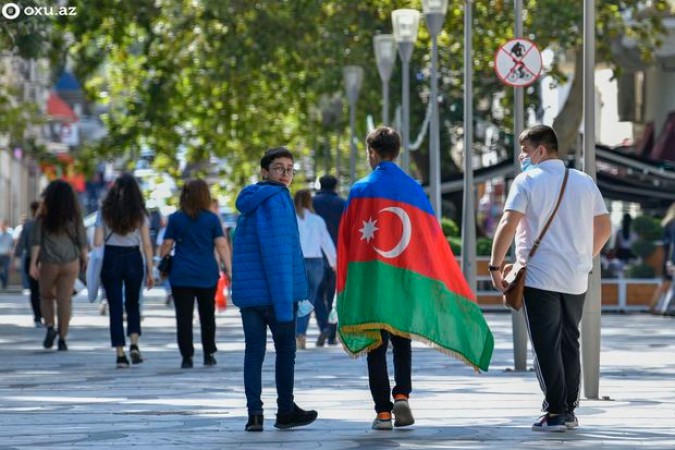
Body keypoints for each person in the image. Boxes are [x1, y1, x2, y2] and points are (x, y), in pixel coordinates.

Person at [338, 127, 493, 431]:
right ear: (397, 152)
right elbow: (430, 238)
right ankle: (403, 395)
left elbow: (346, 239)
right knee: (402, 339)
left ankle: (383, 414)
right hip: (405, 280)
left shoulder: (360, 189)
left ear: (372, 153)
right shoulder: (412, 188)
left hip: (371, 281)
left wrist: (346, 284)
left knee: (375, 347)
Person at [489, 124, 611, 432]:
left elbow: (508, 222)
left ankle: (555, 411)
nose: (523, 157)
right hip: (576, 277)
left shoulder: (527, 180)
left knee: (545, 345)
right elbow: (605, 227)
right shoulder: (584, 181)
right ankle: (569, 409)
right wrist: (586, 256)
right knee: (570, 341)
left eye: (526, 151)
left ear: (541, 150)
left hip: (540, 276)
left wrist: (494, 265)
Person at [232, 147, 318, 432]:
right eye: (279, 168)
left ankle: (254, 415)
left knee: (253, 353)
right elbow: (279, 253)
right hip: (277, 293)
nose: (285, 174)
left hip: (251, 296)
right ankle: (284, 411)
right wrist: (284, 302)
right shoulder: (279, 200)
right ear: (265, 172)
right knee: (285, 351)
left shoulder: (249, 202)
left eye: (289, 169)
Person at [158, 179, 232, 369]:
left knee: (183, 317)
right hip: (206, 273)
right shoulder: (211, 219)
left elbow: (167, 244)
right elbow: (222, 244)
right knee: (207, 314)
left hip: (181, 274)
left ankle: (187, 356)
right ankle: (208, 353)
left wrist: (162, 262)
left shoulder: (176, 218)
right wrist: (230, 269)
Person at [94, 174, 155, 368]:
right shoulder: (140, 213)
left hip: (111, 257)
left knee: (115, 306)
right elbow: (146, 244)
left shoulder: (104, 212)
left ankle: (120, 353)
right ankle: (134, 344)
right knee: (133, 303)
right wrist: (151, 270)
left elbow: (97, 242)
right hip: (133, 258)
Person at [30, 180, 89, 351]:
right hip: (71, 261)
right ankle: (62, 338)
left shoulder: (43, 214)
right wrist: (84, 259)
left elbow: (36, 241)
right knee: (65, 300)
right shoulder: (74, 214)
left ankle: (50, 326)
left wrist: (33, 263)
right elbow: (82, 239)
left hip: (49, 261)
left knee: (46, 296)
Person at [293, 189, 336, 349]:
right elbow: (327, 243)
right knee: (309, 300)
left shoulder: (291, 220)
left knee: (296, 300)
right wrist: (335, 264)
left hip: (297, 262)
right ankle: (301, 333)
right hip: (316, 263)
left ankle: (299, 333)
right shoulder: (317, 220)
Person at [312, 174, 345, 346]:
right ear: (335, 186)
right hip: (338, 256)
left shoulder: (311, 203)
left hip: (315, 255)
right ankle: (332, 333)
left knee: (316, 295)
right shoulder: (342, 203)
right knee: (334, 295)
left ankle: (323, 325)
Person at [14, 201, 42, 326]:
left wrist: (16, 258)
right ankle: (45, 314)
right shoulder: (47, 224)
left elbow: (21, 244)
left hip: (30, 259)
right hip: (46, 259)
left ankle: (37, 317)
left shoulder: (27, 225)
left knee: (34, 290)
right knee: (44, 289)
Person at [652, 203, 675, 314]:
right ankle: (663, 307)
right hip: (672, 257)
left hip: (668, 256)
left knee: (667, 283)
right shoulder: (673, 224)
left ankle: (658, 306)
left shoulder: (668, 223)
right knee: (669, 284)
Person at [0, 219, 13, 289]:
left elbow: (11, 245)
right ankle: (3, 280)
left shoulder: (10, 235)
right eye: (3, 225)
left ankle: (5, 284)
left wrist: (11, 252)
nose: (4, 227)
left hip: (6, 255)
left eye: (5, 225)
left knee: (6, 271)